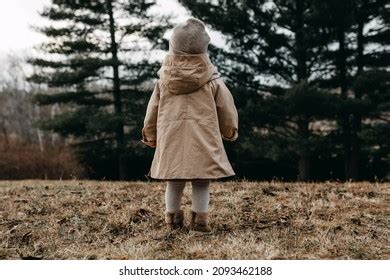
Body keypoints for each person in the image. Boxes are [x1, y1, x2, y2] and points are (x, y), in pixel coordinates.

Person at [141, 18, 238, 234]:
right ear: (204, 49)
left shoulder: (163, 81)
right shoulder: (213, 80)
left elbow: (152, 111)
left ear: (172, 47)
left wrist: (150, 135)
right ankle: (200, 223)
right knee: (202, 181)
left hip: (170, 138)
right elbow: (226, 108)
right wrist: (229, 131)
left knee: (174, 181)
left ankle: (172, 222)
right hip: (202, 138)